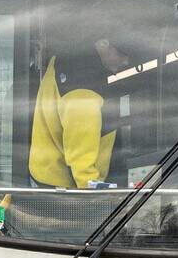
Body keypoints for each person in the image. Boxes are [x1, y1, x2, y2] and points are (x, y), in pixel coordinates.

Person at [29, 31, 135, 188]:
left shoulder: (64, 64)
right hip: (66, 187)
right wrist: (89, 189)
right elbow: (80, 146)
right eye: (122, 53)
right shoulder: (84, 83)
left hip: (50, 176)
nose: (126, 61)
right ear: (103, 45)